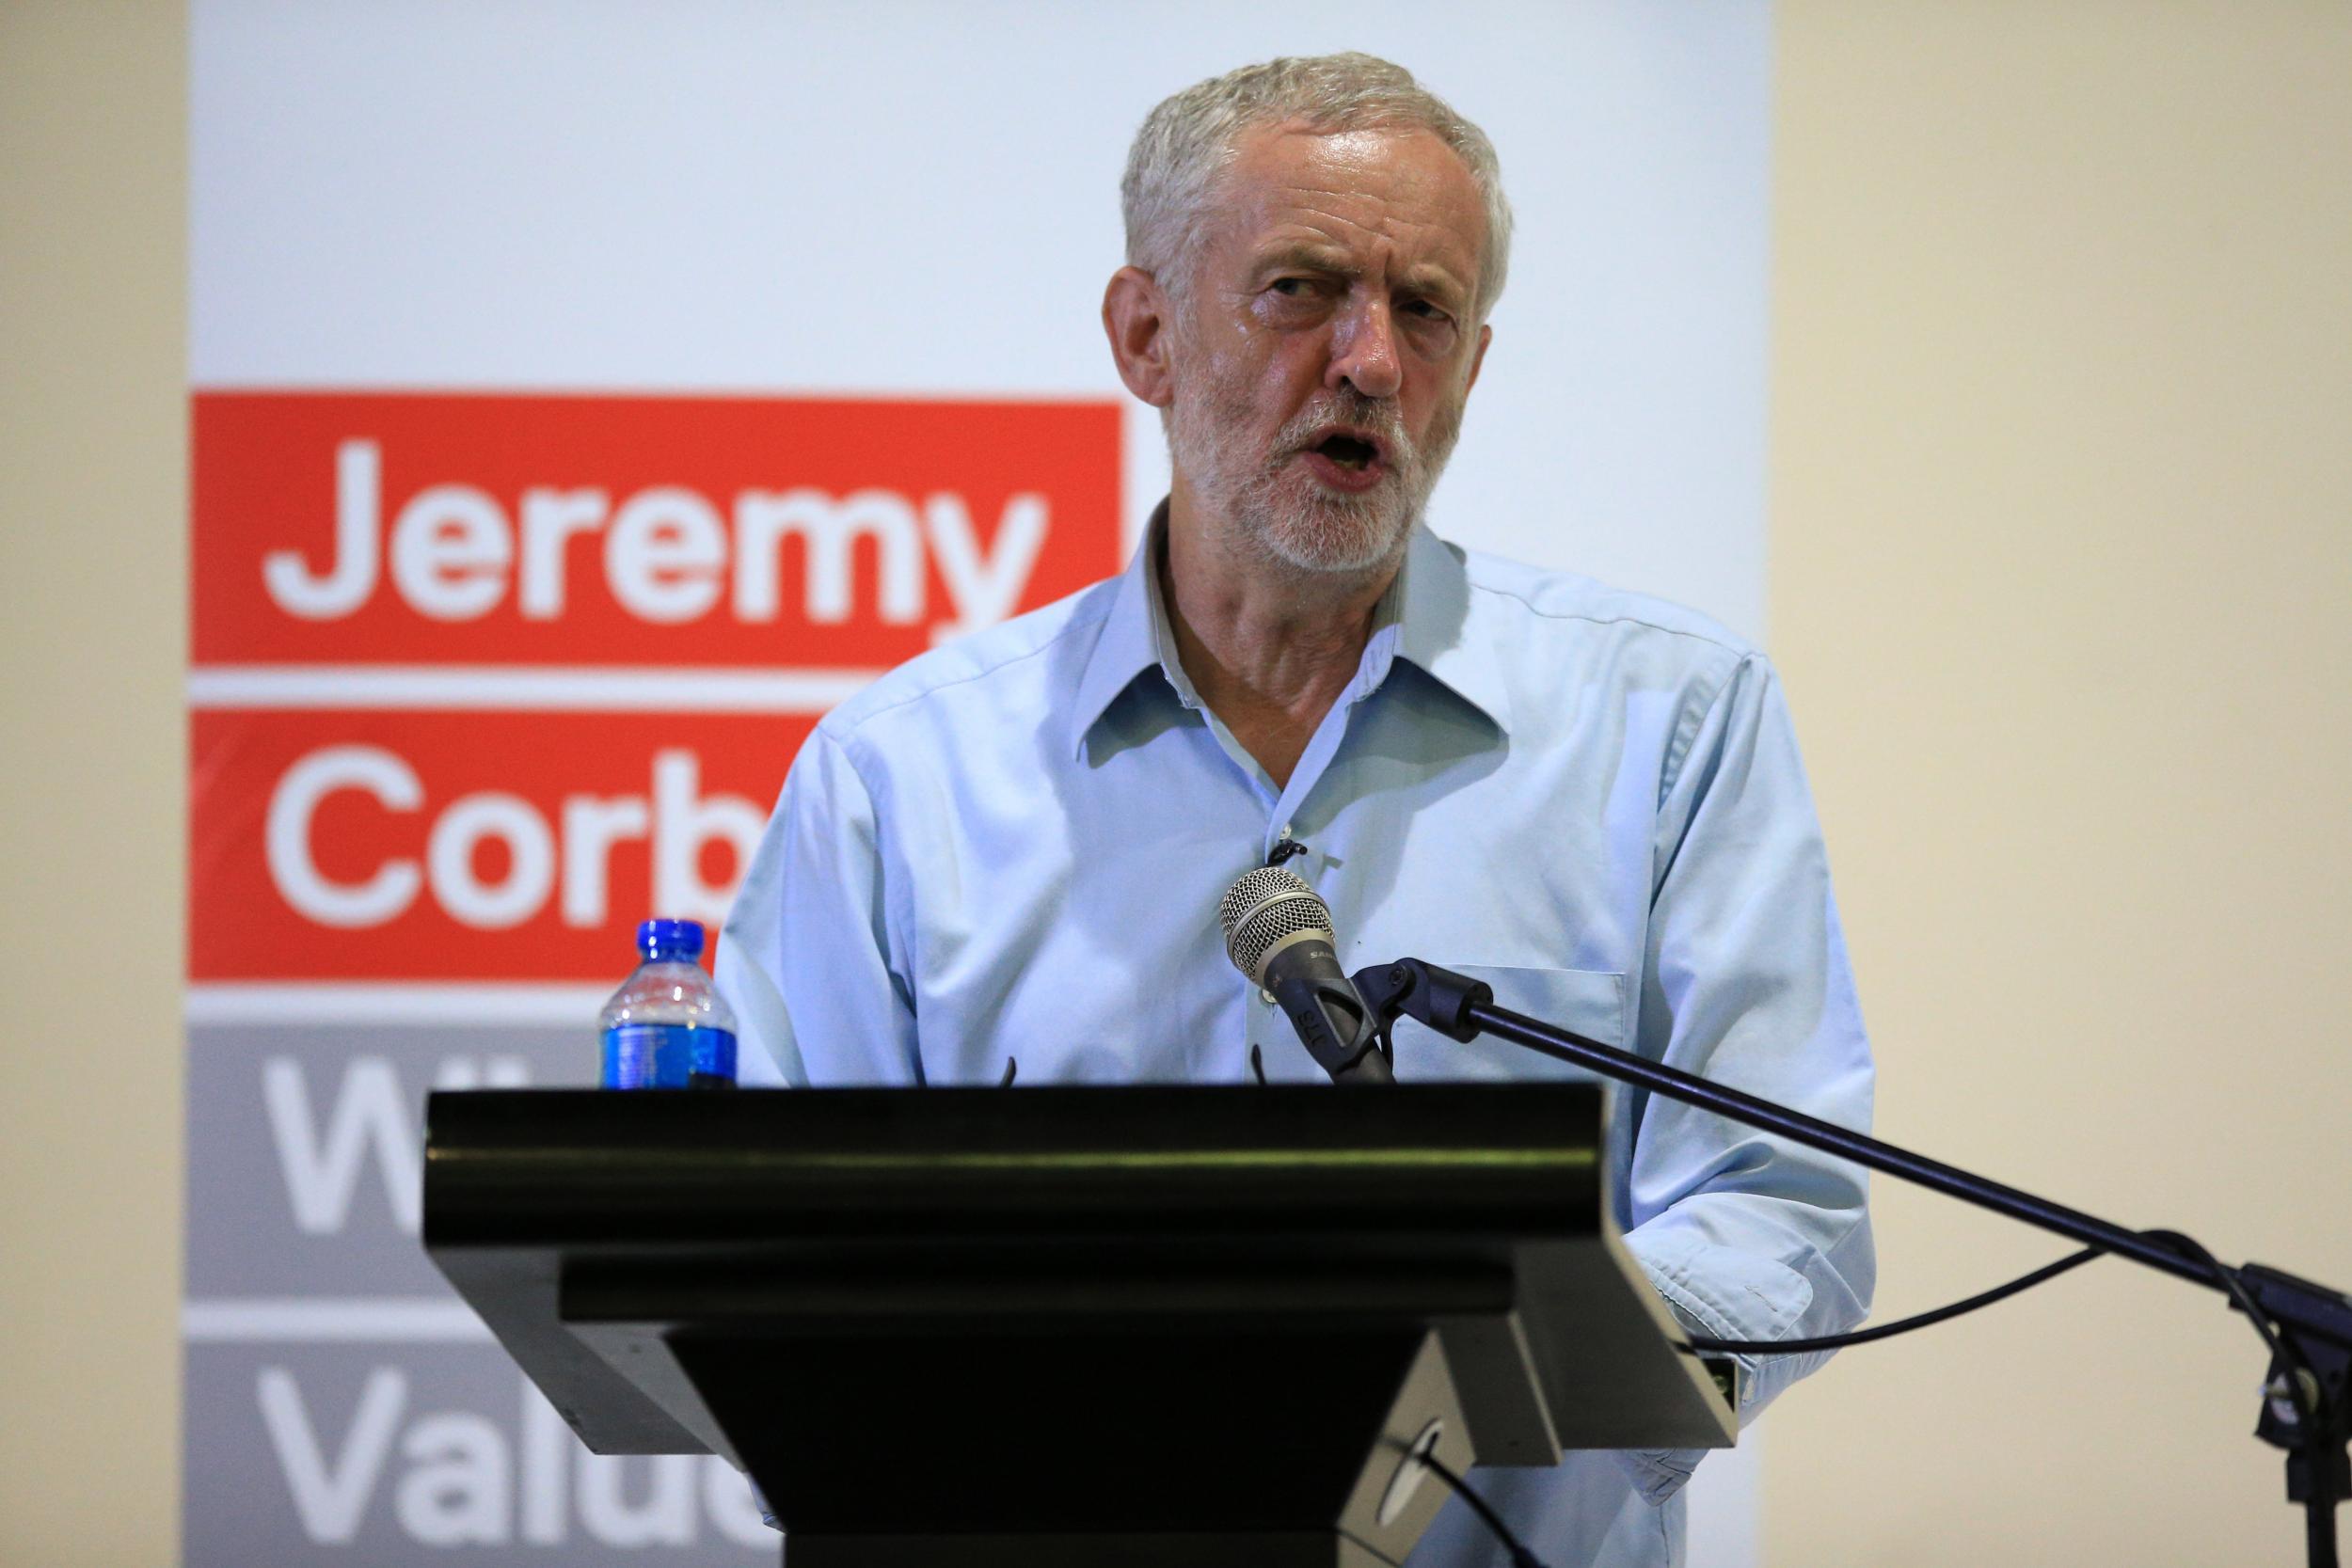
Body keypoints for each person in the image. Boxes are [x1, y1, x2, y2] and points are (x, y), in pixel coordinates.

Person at [719, 52, 1872, 1568]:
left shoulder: (1669, 723)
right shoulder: (901, 777)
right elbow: (753, 1277)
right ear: (1146, 334)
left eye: (1426, 310)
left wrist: (1459, 1386)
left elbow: (1779, 1215)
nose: (1373, 362)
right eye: (1301, 287)